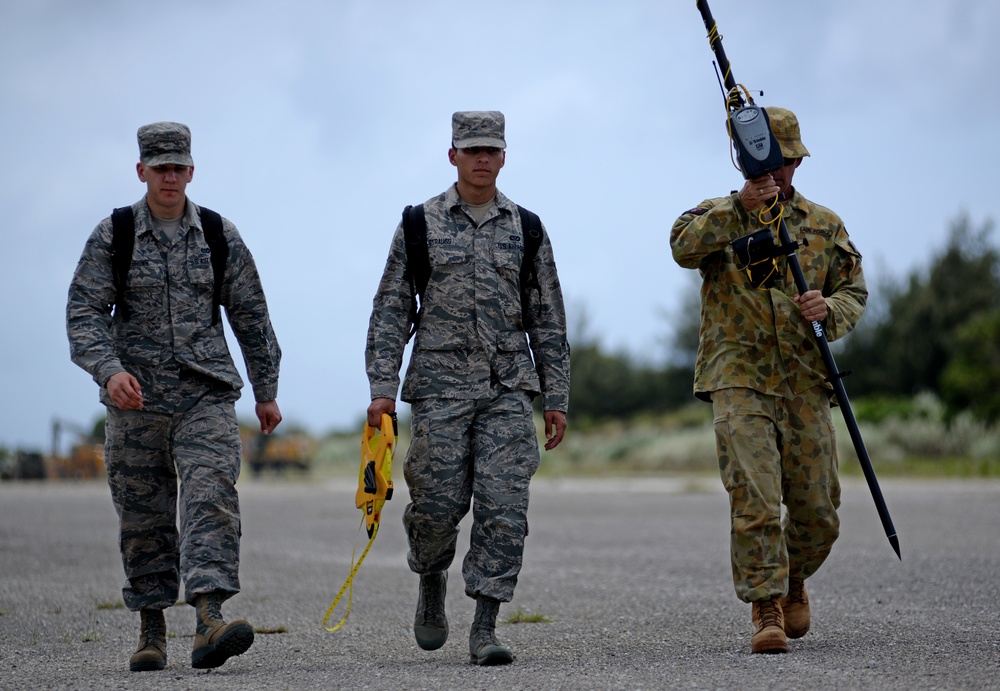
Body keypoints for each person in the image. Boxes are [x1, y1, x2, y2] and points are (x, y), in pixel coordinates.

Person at [66, 122, 282, 672]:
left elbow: (251, 314)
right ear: (142, 171)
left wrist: (265, 390)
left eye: (178, 167)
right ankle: (151, 626)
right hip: (134, 401)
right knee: (144, 516)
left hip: (204, 393)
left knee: (210, 492)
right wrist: (108, 371)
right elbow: (84, 313)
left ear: (191, 171)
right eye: (159, 167)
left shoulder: (217, 234)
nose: (169, 176)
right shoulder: (112, 235)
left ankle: (209, 616)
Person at [365, 111, 570, 666]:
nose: (482, 159)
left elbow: (547, 318)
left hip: (507, 389)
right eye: (472, 149)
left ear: (504, 157)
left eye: (492, 150)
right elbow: (390, 309)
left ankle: (485, 625)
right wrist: (382, 386)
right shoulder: (419, 224)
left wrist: (556, 397)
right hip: (438, 390)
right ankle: (431, 575)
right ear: (452, 154)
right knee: (434, 507)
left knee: (505, 507)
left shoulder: (525, 227)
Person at [669, 107, 867, 654]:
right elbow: (682, 247)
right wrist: (740, 209)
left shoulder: (824, 224)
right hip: (739, 377)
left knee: (819, 512)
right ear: (745, 159)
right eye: (767, 163)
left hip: (805, 380)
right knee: (754, 498)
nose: (776, 174)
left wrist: (828, 308)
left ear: (798, 163)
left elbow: (855, 292)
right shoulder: (715, 214)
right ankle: (766, 607)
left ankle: (791, 578)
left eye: (786, 164)